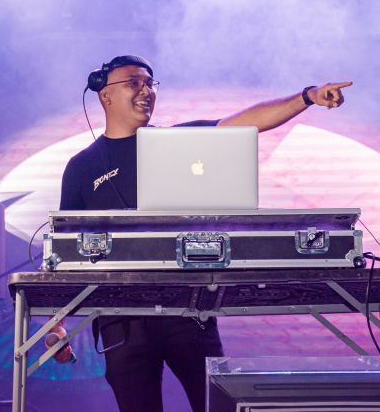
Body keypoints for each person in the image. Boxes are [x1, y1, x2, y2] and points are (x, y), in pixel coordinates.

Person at [56, 55, 351, 412]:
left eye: (150, 83)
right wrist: (57, 325)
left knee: (217, 405)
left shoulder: (176, 142)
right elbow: (64, 251)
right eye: (134, 82)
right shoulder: (82, 167)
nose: (146, 91)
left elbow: (243, 125)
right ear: (105, 95)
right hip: (122, 319)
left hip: (188, 308)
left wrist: (308, 96)